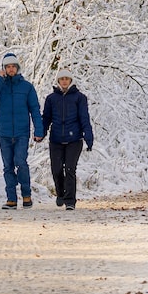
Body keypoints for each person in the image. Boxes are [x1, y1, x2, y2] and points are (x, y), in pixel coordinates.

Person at [0, 51, 45, 209]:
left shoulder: (27, 87)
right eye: (7, 67)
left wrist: (39, 130)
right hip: (4, 133)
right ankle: (11, 198)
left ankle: (26, 195)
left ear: (18, 68)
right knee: (7, 166)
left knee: (21, 162)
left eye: (13, 66)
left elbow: (35, 110)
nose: (11, 69)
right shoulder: (0, 86)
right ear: (4, 69)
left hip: (22, 133)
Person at [42, 69, 94, 210]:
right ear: (58, 81)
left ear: (71, 81)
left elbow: (84, 118)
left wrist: (88, 137)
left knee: (70, 169)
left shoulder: (79, 97)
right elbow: (46, 118)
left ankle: (70, 201)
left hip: (74, 139)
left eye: (67, 79)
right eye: (62, 79)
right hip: (56, 139)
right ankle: (60, 193)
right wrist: (41, 133)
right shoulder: (51, 99)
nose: (64, 81)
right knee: (56, 169)